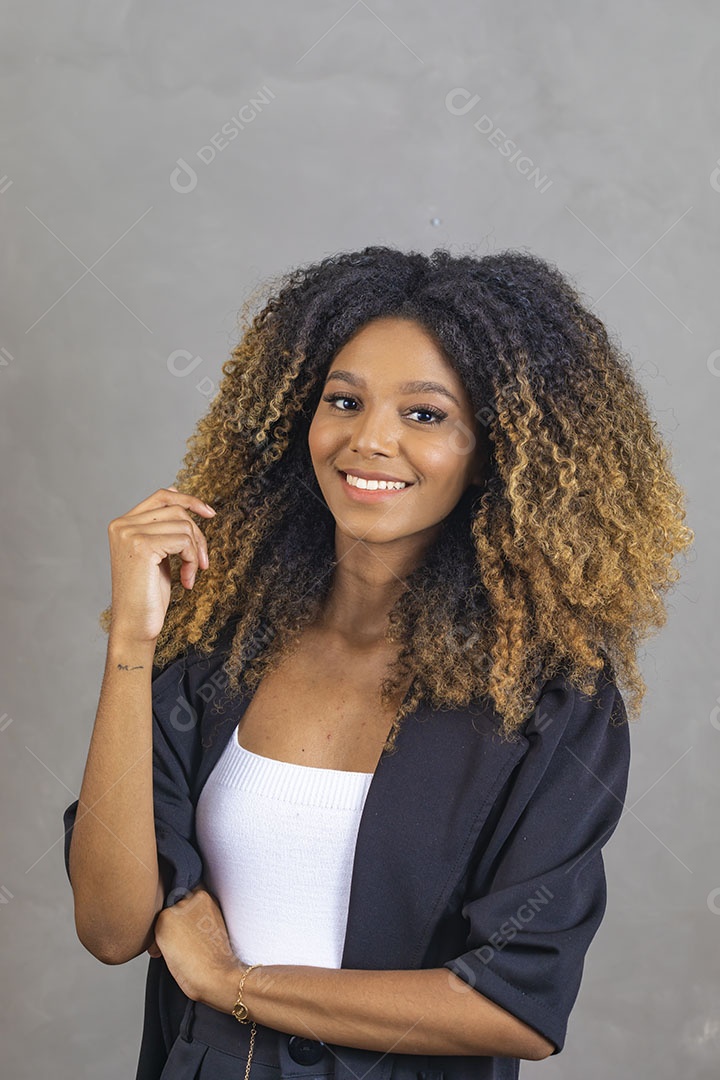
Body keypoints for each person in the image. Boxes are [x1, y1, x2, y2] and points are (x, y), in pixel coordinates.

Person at [62, 245, 693, 1080]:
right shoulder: (215, 644)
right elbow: (112, 927)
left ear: (493, 451)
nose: (369, 440)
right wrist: (132, 645)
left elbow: (512, 1005)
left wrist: (233, 981)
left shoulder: (547, 702)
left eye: (425, 415)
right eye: (344, 400)